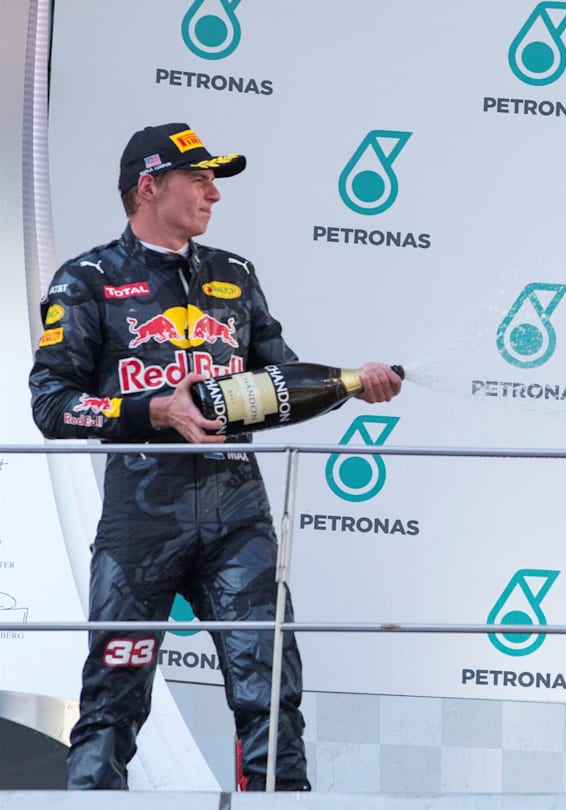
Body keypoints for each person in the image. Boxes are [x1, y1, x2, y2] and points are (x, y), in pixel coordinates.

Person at [29, 122, 403, 790]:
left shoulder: (235, 275)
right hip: (142, 521)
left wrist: (354, 383)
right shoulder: (88, 278)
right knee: (113, 695)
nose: (214, 195)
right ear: (149, 186)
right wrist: (153, 411)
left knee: (271, 687)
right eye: (199, 179)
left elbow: (284, 379)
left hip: (238, 516)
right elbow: (52, 404)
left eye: (214, 180)